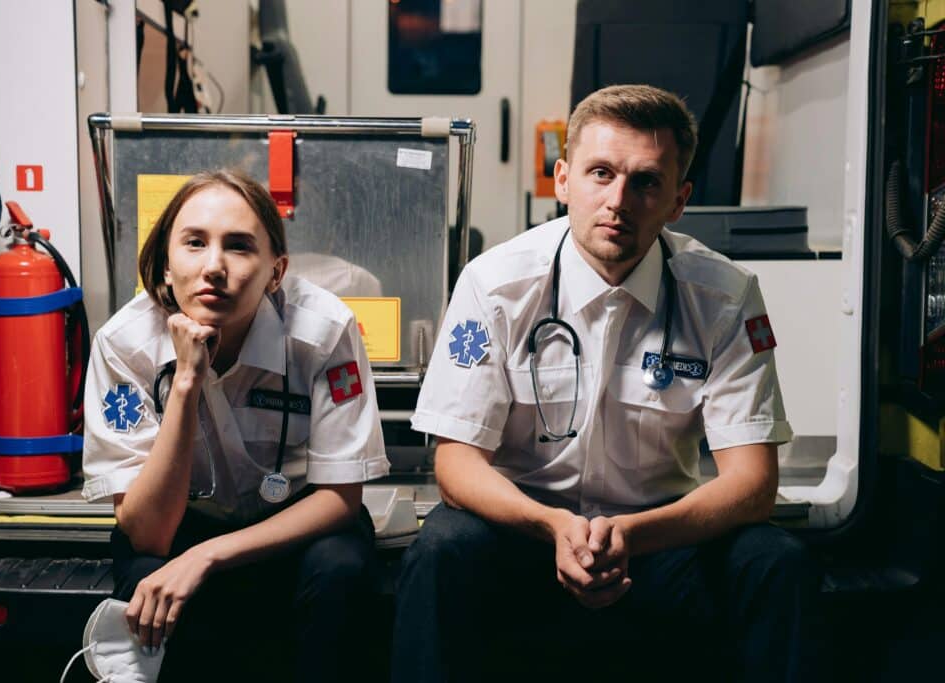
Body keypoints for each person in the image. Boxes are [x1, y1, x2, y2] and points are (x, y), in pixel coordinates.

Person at [392, 85, 817, 682]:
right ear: (564, 179)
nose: (619, 201)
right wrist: (555, 527)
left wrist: (630, 537)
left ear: (678, 200)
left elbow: (751, 484)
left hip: (658, 539)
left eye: (646, 182)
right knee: (440, 551)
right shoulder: (495, 285)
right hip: (526, 532)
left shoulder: (724, 296)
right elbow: (457, 462)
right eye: (600, 173)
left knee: (775, 562)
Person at [81, 169, 389, 681]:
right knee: (146, 578)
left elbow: (340, 497)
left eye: (240, 247)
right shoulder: (125, 345)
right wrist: (185, 382)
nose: (214, 267)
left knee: (341, 567)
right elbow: (150, 533)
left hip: (297, 522)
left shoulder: (326, 329)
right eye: (194, 243)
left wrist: (209, 557)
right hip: (180, 525)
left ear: (275, 271)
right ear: (165, 261)